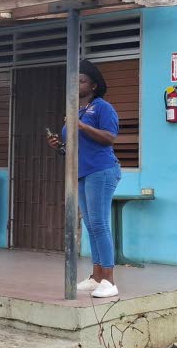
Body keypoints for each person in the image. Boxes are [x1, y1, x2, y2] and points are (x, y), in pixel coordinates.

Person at [47, 59, 121, 298]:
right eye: (75, 81)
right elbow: (74, 149)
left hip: (101, 170)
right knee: (90, 226)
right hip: (81, 172)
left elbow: (109, 137)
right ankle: (96, 276)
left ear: (94, 86)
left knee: (99, 224)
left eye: (82, 81)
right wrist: (59, 146)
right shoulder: (76, 112)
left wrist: (80, 126)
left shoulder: (102, 107)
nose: (77, 84)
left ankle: (109, 280)